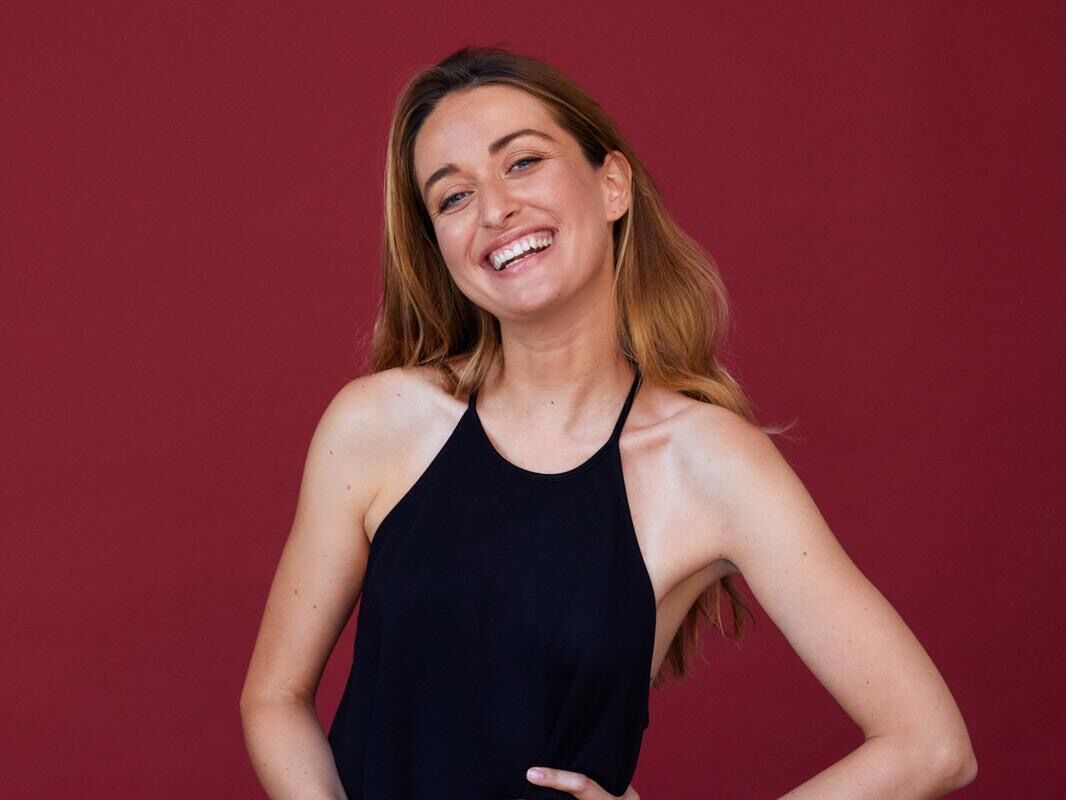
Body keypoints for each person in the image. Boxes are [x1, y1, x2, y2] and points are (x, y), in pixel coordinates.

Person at [239, 45, 977, 799]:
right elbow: (274, 699)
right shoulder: (377, 425)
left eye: (523, 162)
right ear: (441, 249)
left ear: (612, 184)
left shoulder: (708, 464)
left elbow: (931, 746)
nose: (494, 209)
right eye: (453, 197)